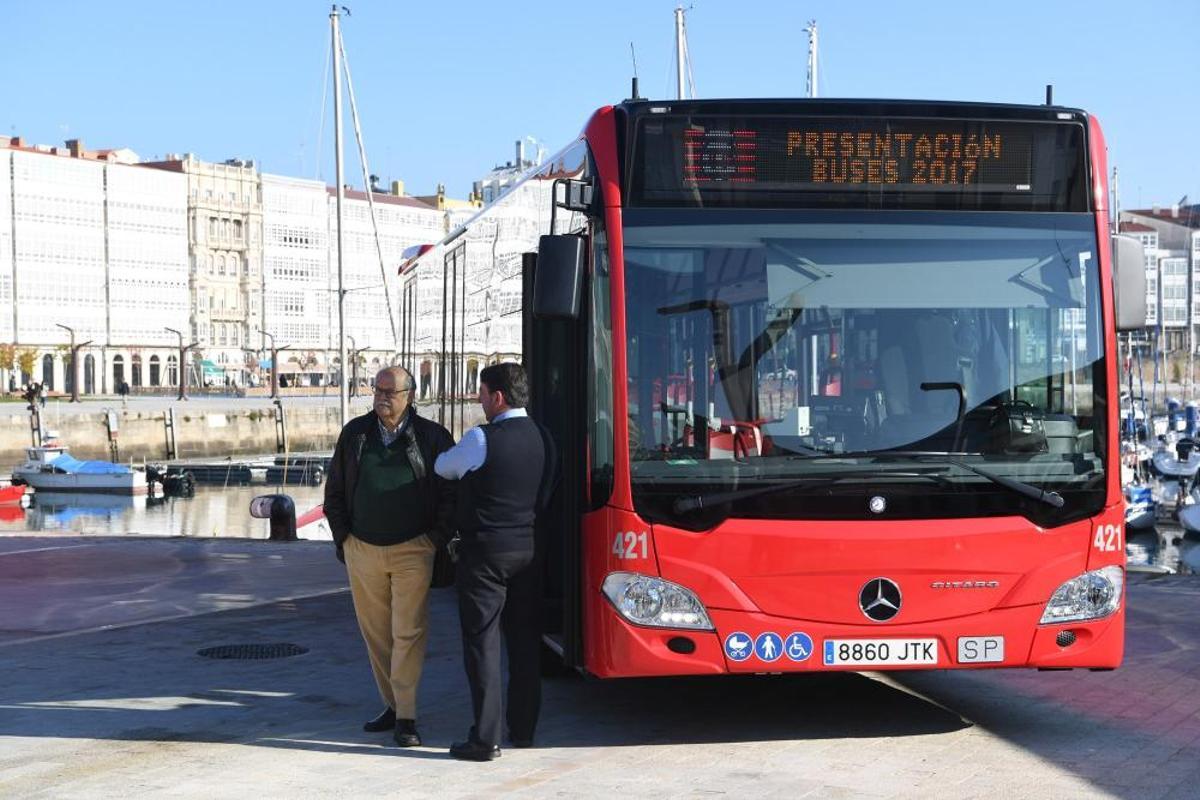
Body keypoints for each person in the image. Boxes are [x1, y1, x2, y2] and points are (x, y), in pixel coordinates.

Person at [324, 365, 455, 747]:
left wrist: (435, 539)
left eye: (389, 392)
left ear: (409, 396)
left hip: (414, 548)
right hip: (362, 548)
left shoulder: (432, 437)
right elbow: (334, 490)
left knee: (408, 631)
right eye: (377, 390)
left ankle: (408, 716)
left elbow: (452, 494)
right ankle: (392, 704)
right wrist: (343, 538)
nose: (381, 397)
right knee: (376, 635)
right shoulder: (355, 434)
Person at [435, 362, 557, 762]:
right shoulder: (544, 437)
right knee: (524, 642)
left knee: (482, 643)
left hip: (486, 552)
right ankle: (524, 729)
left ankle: (484, 739)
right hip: (529, 548)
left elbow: (444, 467)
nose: (479, 400)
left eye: (482, 393)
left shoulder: (481, 438)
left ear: (498, 397)